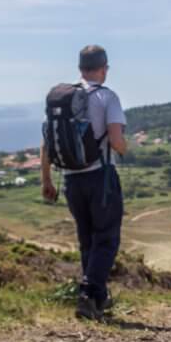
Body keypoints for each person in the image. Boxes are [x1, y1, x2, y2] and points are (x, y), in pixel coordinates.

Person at [41, 45, 127, 321]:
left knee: (86, 239)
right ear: (104, 68)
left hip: (70, 179)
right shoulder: (106, 97)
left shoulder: (63, 99)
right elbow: (116, 142)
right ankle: (89, 294)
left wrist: (46, 180)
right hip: (100, 176)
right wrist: (125, 148)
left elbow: (46, 143)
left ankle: (99, 298)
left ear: (80, 68)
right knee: (107, 238)